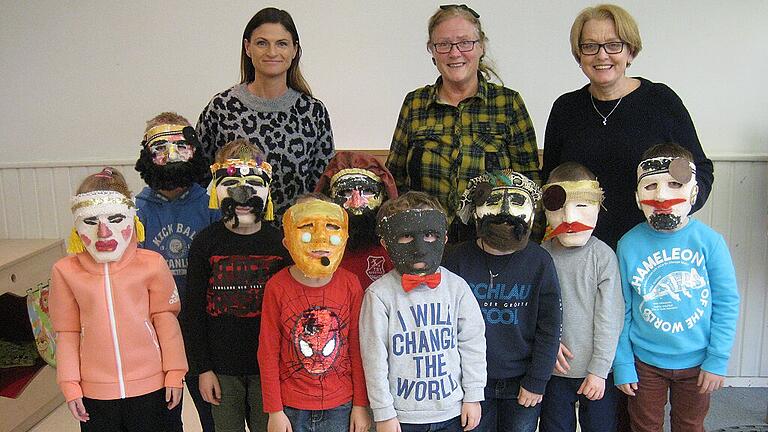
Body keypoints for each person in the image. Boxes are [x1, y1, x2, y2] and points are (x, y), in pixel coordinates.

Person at [542, 3, 714, 251]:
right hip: (579, 250)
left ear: (630, 51)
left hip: (651, 247)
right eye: (590, 46)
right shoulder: (565, 109)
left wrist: (673, 215)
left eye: (614, 45)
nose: (602, 55)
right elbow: (551, 180)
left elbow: (700, 169)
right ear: (579, 55)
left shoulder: (661, 101)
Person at [386, 4, 540, 243]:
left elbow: (530, 183)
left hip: (491, 247)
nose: (455, 53)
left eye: (465, 43)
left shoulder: (508, 103)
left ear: (481, 47)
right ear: (432, 50)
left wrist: (527, 248)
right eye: (444, 44)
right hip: (424, 246)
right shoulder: (414, 103)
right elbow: (394, 181)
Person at [613, 143, 740, 432]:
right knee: (644, 426)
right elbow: (620, 307)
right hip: (644, 361)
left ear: (694, 191)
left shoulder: (710, 243)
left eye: (674, 184)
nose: (661, 196)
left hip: (697, 361)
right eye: (651, 186)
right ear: (637, 195)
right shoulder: (628, 244)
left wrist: (717, 359)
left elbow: (726, 303)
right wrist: (622, 362)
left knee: (690, 425)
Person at [50, 167, 187, 432]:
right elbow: (66, 332)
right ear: (77, 226)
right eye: (91, 221)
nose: (103, 232)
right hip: (96, 393)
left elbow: (166, 322)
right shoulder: (64, 271)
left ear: (131, 220)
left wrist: (174, 373)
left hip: (152, 387)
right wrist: (70, 385)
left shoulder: (152, 264)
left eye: (114, 219)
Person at [183, 140, 291, 432]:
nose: (242, 193)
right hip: (222, 367)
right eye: (231, 182)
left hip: (266, 370)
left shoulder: (280, 243)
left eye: (253, 182)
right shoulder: (206, 242)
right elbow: (192, 311)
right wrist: (203, 368)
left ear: (267, 186)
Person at [444, 170, 561, 432]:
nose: (505, 211)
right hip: (469, 384)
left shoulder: (540, 262)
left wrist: (537, 379)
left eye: (517, 202)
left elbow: (550, 326)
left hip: (522, 383)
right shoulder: (456, 260)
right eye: (494, 202)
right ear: (475, 210)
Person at [360, 191, 487, 432]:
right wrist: (384, 412)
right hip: (401, 416)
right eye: (406, 236)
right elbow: (374, 358)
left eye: (430, 235)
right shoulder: (378, 295)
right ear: (386, 243)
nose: (419, 248)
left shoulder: (457, 288)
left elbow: (473, 343)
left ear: (444, 238)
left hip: (452, 410)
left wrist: (473, 395)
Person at [196, 7, 334, 222]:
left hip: (297, 241)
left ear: (295, 50)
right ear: (247, 47)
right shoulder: (221, 107)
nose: (272, 52)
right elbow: (199, 180)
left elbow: (322, 190)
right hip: (234, 239)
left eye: (282, 43)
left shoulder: (313, 112)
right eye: (262, 43)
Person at [134, 112, 219, 432]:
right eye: (161, 148)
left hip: (202, 330)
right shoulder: (135, 211)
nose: (171, 156)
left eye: (181, 147)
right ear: (147, 153)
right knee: (164, 418)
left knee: (213, 414)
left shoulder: (212, 204)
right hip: (154, 333)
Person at [258, 195, 370, 432]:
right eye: (307, 227)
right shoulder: (277, 287)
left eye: (331, 227)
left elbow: (358, 347)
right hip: (291, 405)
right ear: (288, 241)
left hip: (341, 404)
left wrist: (360, 404)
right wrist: (274, 410)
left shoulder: (350, 284)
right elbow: (268, 351)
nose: (320, 237)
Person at [537, 162, 623, 432]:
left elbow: (610, 317)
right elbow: (534, 310)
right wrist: (545, 348)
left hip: (596, 372)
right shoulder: (542, 255)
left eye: (581, 206)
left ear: (598, 206)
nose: (569, 216)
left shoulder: (603, 257)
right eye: (558, 206)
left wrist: (599, 369)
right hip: (554, 371)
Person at [314, 151, 397, 289]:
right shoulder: (319, 247)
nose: (356, 203)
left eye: (368, 191)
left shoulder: (393, 247)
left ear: (383, 196)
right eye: (345, 193)